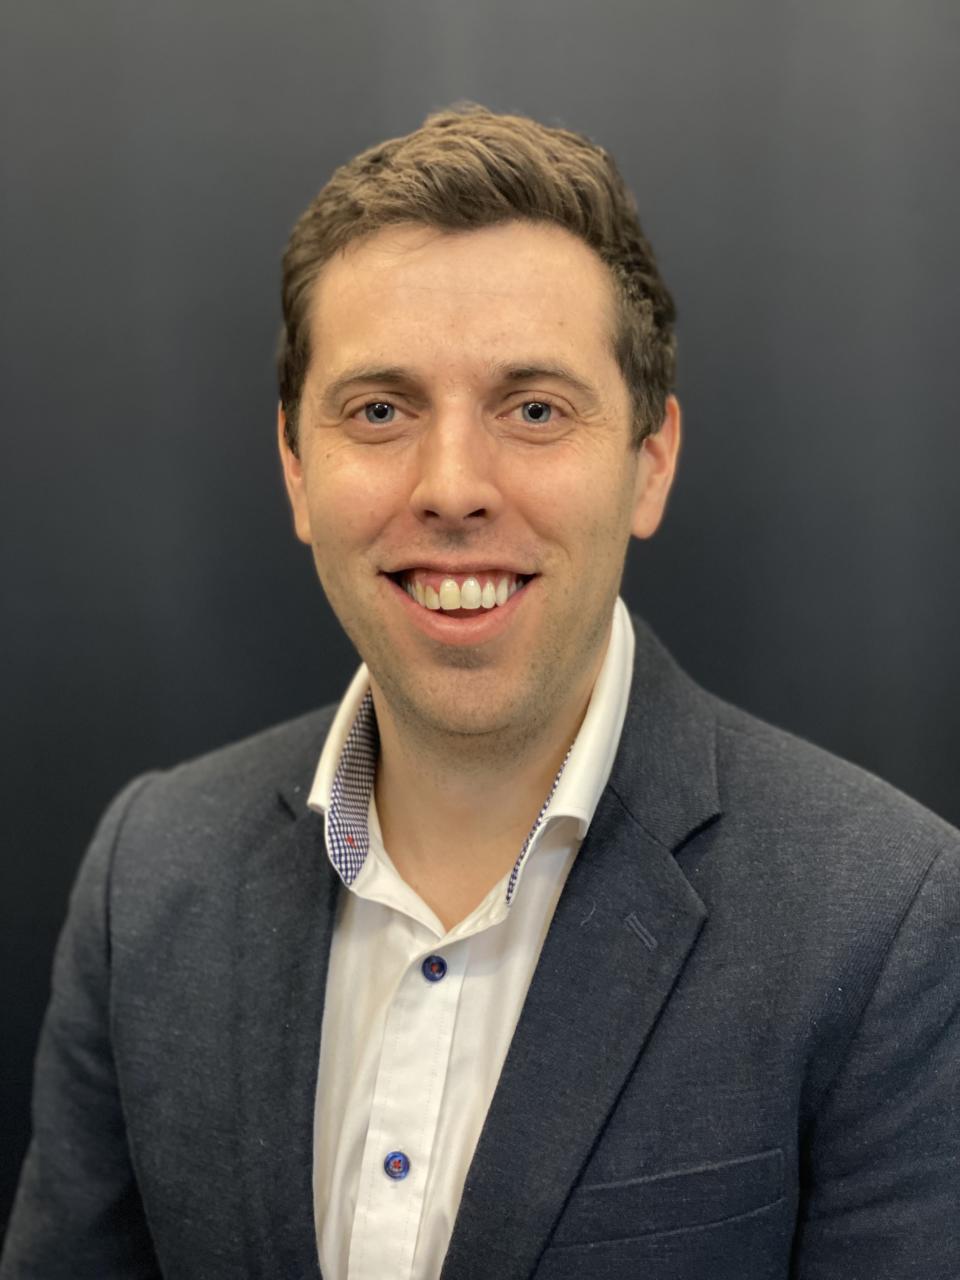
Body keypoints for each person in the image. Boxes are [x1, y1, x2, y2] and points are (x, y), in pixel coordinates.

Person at [2, 104, 958, 1280]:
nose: (453, 486)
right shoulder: (146, 874)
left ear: (650, 461)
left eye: (536, 408)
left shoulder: (888, 921)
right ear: (298, 470)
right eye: (381, 410)